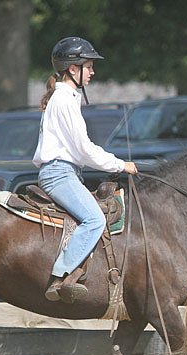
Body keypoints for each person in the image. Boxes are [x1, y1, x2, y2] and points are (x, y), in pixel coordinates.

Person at [33, 36, 138, 303]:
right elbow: (83, 149)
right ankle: (61, 276)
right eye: (88, 66)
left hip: (65, 172)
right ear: (73, 69)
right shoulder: (65, 100)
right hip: (59, 174)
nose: (92, 72)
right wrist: (120, 164)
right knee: (95, 220)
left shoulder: (67, 97)